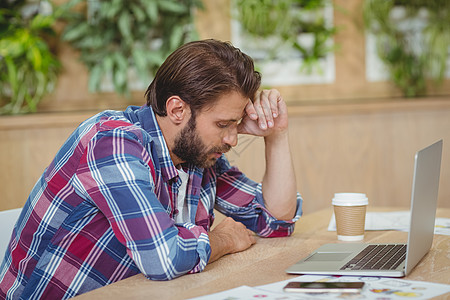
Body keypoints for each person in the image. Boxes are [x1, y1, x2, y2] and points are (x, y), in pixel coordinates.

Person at [0, 39, 302, 299]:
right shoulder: (113, 142)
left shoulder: (196, 156)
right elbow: (164, 259)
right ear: (177, 110)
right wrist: (222, 239)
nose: (233, 139)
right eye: (223, 124)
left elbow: (275, 220)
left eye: (236, 124)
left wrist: (276, 135)